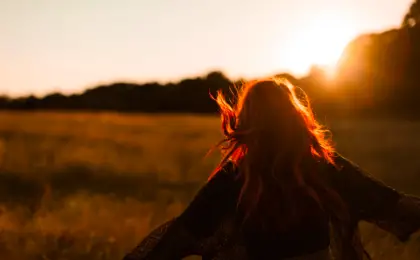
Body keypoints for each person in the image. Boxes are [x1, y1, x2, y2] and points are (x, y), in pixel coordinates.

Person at [123, 78, 420, 260]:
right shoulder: (322, 166)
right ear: (294, 117)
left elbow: (176, 238)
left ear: (248, 120)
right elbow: (393, 203)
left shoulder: (233, 178)